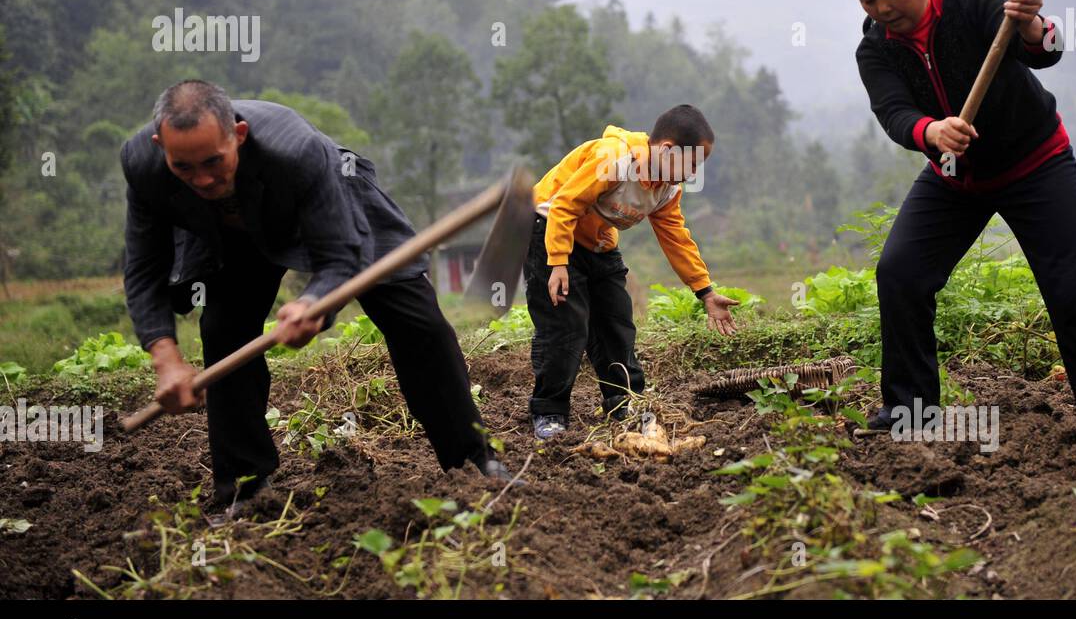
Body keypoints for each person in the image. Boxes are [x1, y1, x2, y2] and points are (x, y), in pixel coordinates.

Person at [121, 80, 512, 514]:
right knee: (223, 330)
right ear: (161, 147)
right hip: (232, 232)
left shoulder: (297, 150)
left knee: (417, 321)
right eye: (185, 168)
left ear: (239, 134)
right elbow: (143, 268)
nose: (204, 178)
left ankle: (472, 461)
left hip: (331, 205)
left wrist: (313, 304)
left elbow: (343, 252)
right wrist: (165, 358)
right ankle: (246, 488)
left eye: (214, 161)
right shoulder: (142, 164)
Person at [848, 0, 1076, 429]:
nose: (881, 8)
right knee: (901, 272)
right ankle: (911, 411)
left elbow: (1047, 49)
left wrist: (1032, 24)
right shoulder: (876, 49)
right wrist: (931, 131)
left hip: (1036, 165)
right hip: (955, 178)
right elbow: (894, 113)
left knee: (1074, 290)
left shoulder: (975, 5)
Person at [526, 106, 737, 439]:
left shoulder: (666, 188)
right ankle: (549, 411)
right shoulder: (614, 159)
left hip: (597, 242)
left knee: (616, 323)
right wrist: (558, 262)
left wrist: (705, 292)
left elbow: (676, 238)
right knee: (565, 326)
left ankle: (624, 402)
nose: (693, 173)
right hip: (549, 231)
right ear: (668, 150)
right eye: (693, 163)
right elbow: (564, 204)